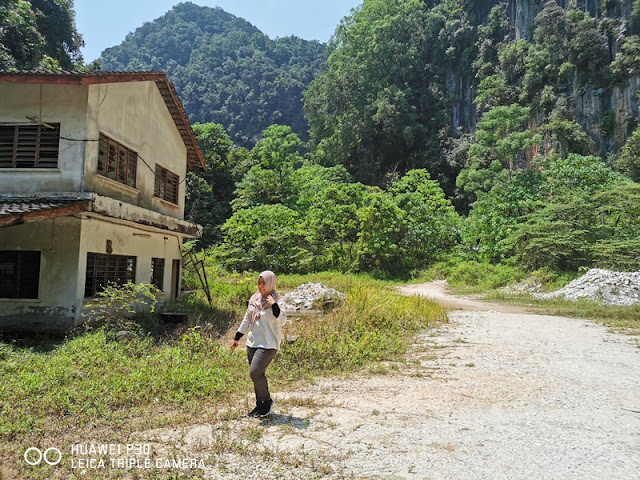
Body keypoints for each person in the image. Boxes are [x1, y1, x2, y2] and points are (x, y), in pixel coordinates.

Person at [231, 270, 287, 417]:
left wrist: (273, 305)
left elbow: (282, 320)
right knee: (257, 376)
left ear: (271, 283)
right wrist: (237, 337)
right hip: (253, 343)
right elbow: (247, 318)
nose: (261, 286)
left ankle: (267, 402)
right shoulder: (254, 299)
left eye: (264, 283)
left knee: (255, 372)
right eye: (259, 283)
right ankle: (260, 405)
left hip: (268, 344)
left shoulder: (278, 301)